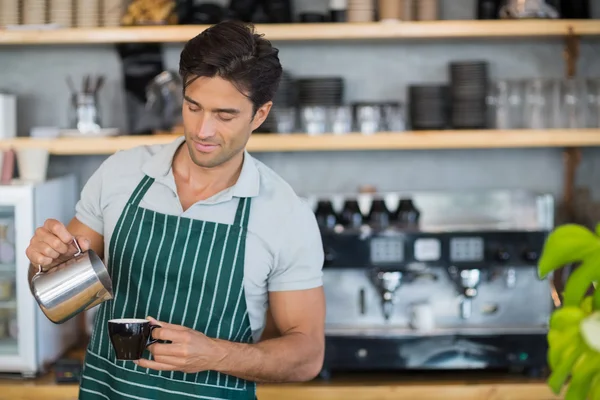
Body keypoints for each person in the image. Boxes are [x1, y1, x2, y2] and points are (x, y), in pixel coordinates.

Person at [25, 20, 325, 400]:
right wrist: (47, 262)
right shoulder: (122, 173)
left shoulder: (285, 214)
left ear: (260, 115)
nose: (202, 130)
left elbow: (307, 355)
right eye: (193, 106)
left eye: (225, 115)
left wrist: (215, 354)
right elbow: (58, 300)